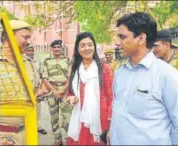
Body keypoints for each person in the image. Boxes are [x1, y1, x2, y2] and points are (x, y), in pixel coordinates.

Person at [108, 12, 178, 145]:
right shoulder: (119, 73)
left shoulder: (167, 76)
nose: (117, 43)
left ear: (141, 39)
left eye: (122, 37)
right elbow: (118, 110)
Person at [66, 32, 113, 145]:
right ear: (77, 49)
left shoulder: (104, 69)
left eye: (90, 45)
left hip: (100, 120)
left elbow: (111, 96)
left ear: (94, 47)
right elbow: (69, 93)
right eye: (82, 45)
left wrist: (111, 124)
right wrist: (71, 98)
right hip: (79, 119)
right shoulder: (74, 69)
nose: (87, 48)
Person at [0, 20, 36, 145]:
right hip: (2, 136)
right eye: (24, 37)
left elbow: (33, 92)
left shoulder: (30, 64)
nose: (28, 41)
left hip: (27, 133)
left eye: (29, 37)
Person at [42, 39, 72, 145]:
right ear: (52, 49)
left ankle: (70, 139)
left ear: (61, 48)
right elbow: (45, 78)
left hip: (65, 91)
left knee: (68, 118)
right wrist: (54, 91)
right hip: (52, 91)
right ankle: (58, 140)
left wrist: (63, 89)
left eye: (58, 47)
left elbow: (70, 77)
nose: (56, 49)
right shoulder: (47, 61)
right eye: (54, 47)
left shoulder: (68, 60)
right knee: (54, 118)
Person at [24, 44, 48, 135]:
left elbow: (43, 76)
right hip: (26, 90)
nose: (30, 52)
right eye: (28, 50)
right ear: (25, 51)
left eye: (32, 50)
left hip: (36, 89)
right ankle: (27, 127)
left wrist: (41, 89)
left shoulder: (38, 61)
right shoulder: (23, 61)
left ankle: (37, 126)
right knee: (27, 109)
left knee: (37, 110)